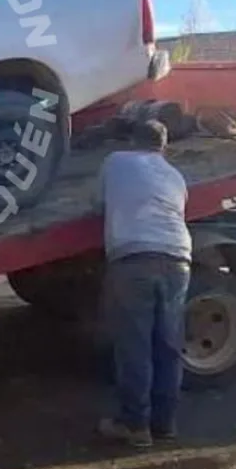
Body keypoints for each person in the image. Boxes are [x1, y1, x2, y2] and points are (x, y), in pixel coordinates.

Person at [93, 118, 192, 448]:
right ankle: (165, 424)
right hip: (178, 258)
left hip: (134, 259)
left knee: (135, 345)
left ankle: (135, 425)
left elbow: (98, 203)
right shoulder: (176, 177)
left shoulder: (116, 161)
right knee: (167, 345)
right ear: (164, 147)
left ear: (133, 141)